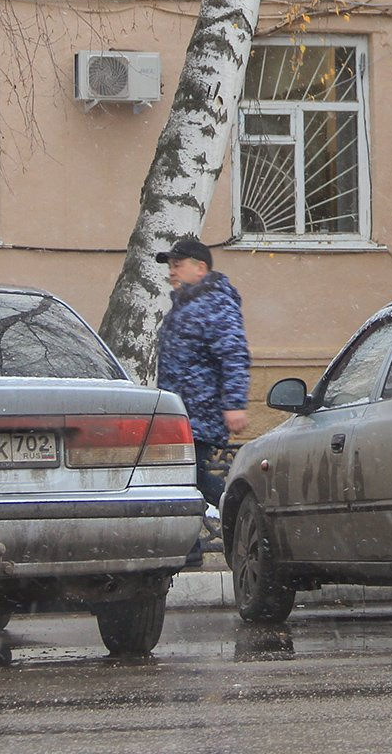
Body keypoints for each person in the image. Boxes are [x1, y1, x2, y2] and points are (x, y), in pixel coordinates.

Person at [154, 236, 250, 565]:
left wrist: (235, 404)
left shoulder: (215, 303)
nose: (171, 272)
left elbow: (234, 355)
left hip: (200, 412)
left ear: (201, 268)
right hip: (180, 412)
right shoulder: (189, 303)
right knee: (182, 477)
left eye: (177, 265)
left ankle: (241, 510)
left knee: (187, 476)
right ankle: (192, 546)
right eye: (170, 266)